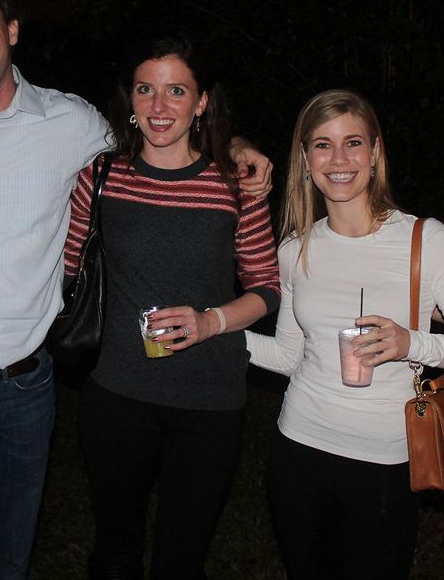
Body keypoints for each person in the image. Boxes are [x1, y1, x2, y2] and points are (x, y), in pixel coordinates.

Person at [0, 0, 274, 580]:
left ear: (12, 30)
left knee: (8, 563)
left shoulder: (75, 126)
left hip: (23, 390)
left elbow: (168, 140)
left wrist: (238, 148)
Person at [246, 89, 444, 580]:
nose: (339, 159)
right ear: (305, 158)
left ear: (375, 154)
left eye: (353, 143)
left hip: (385, 459)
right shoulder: (296, 248)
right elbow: (292, 356)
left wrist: (410, 343)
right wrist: (219, 332)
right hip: (299, 447)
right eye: (322, 144)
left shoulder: (426, 239)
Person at [65, 33, 280, 580]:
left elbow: (267, 287)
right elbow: (67, 269)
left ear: (201, 102)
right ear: (130, 100)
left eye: (177, 91)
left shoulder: (235, 186)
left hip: (208, 400)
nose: (160, 107)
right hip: (116, 394)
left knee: (181, 560)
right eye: (146, 90)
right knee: (115, 552)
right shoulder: (102, 177)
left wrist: (212, 321)